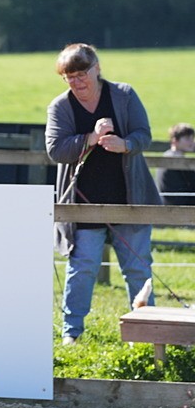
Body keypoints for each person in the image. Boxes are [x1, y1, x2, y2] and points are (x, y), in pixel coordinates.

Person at [46, 43, 161, 345]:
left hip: (129, 198)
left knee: (137, 266)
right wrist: (91, 138)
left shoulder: (123, 95)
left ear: (97, 68)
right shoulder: (60, 107)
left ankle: (147, 333)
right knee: (82, 269)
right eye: (69, 77)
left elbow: (143, 134)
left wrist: (125, 145)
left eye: (82, 73)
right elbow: (55, 150)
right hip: (82, 204)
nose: (76, 82)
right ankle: (72, 332)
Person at [157, 122, 195, 206]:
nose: (191, 142)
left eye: (192, 138)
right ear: (175, 140)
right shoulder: (175, 160)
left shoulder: (168, 156)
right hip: (178, 204)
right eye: (187, 138)